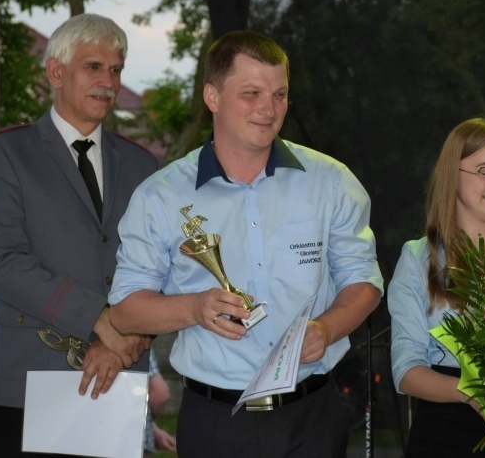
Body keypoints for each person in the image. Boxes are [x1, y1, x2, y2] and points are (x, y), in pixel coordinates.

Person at [108, 30, 384, 458]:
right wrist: (194, 308)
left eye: (279, 94)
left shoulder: (331, 181)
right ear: (212, 97)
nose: (269, 109)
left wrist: (328, 328)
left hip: (312, 416)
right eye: (251, 93)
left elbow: (364, 281)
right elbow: (125, 312)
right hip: (216, 421)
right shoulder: (159, 196)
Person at [0, 13, 159, 458]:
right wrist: (100, 319)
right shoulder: (4, 153)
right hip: (29, 383)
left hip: (118, 378)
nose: (108, 81)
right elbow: (1, 264)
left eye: (116, 69)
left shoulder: (142, 165)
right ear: (56, 71)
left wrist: (121, 340)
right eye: (94, 67)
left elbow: (160, 268)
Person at [388, 117, 485, 457]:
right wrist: (474, 393)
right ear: (451, 176)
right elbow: (406, 371)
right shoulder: (417, 258)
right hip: (445, 428)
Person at [143, 349, 177, 456]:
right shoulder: (136, 342)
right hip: (134, 442)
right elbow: (160, 393)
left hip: (97, 440)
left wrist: (153, 429)